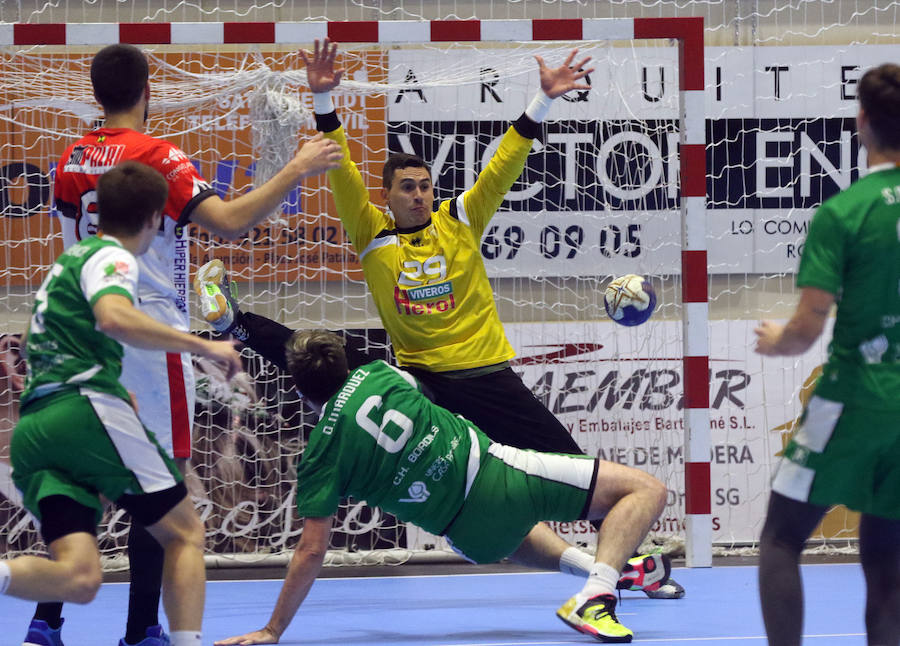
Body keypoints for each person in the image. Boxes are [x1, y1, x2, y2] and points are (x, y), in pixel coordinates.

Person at [196, 38, 684, 598]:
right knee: (320, 353)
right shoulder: (372, 233)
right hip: (420, 382)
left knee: (571, 464)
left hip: (486, 376)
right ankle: (234, 321)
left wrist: (542, 102)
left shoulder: (460, 219)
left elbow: (503, 164)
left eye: (426, 186)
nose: (421, 195)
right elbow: (342, 167)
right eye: (408, 187)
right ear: (388, 196)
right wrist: (323, 100)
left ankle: (634, 565)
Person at [29, 43, 342, 646]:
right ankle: (144, 628)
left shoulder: (70, 158)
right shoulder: (159, 158)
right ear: (149, 90)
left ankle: (46, 621)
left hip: (78, 332)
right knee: (162, 485)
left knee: (77, 475)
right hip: (145, 334)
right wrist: (294, 170)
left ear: (96, 95)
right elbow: (229, 221)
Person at [215, 330, 667, 645]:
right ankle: (599, 593)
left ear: (299, 391)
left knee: (516, 530)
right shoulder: (379, 374)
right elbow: (431, 394)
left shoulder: (319, 455)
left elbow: (311, 550)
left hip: (471, 536)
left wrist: (272, 629)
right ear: (342, 361)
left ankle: (599, 569)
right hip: (498, 477)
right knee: (644, 491)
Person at [1, 161, 243, 646]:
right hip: (83, 412)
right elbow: (113, 317)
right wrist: (206, 346)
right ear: (157, 219)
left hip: (37, 430)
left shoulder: (64, 265)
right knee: (186, 533)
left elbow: (30, 342)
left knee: (81, 578)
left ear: (97, 214)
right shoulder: (117, 258)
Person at [753, 62, 900, 646]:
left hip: (850, 400)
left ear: (861, 121)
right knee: (888, 558)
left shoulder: (845, 212)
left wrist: (775, 341)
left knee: (782, 537)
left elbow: (808, 328)